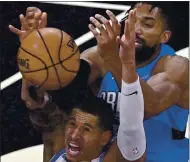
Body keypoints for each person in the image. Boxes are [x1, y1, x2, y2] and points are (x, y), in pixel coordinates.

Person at [10, 2, 189, 162]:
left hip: (160, 157)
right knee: (54, 120)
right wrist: (36, 53)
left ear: (164, 37)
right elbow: (50, 93)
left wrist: (115, 59)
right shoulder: (101, 55)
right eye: (131, 20)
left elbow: (147, 108)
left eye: (147, 24)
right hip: (111, 156)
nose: (136, 29)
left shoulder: (176, 67)